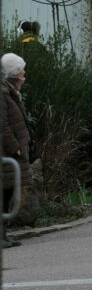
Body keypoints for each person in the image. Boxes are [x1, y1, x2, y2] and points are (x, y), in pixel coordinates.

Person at [2, 53, 32, 248]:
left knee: (7, 193)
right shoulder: (3, 94)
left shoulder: (10, 92)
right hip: (7, 155)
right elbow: (2, 125)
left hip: (11, 155)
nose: (24, 73)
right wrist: (15, 148)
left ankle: (3, 235)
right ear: (14, 74)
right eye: (21, 70)